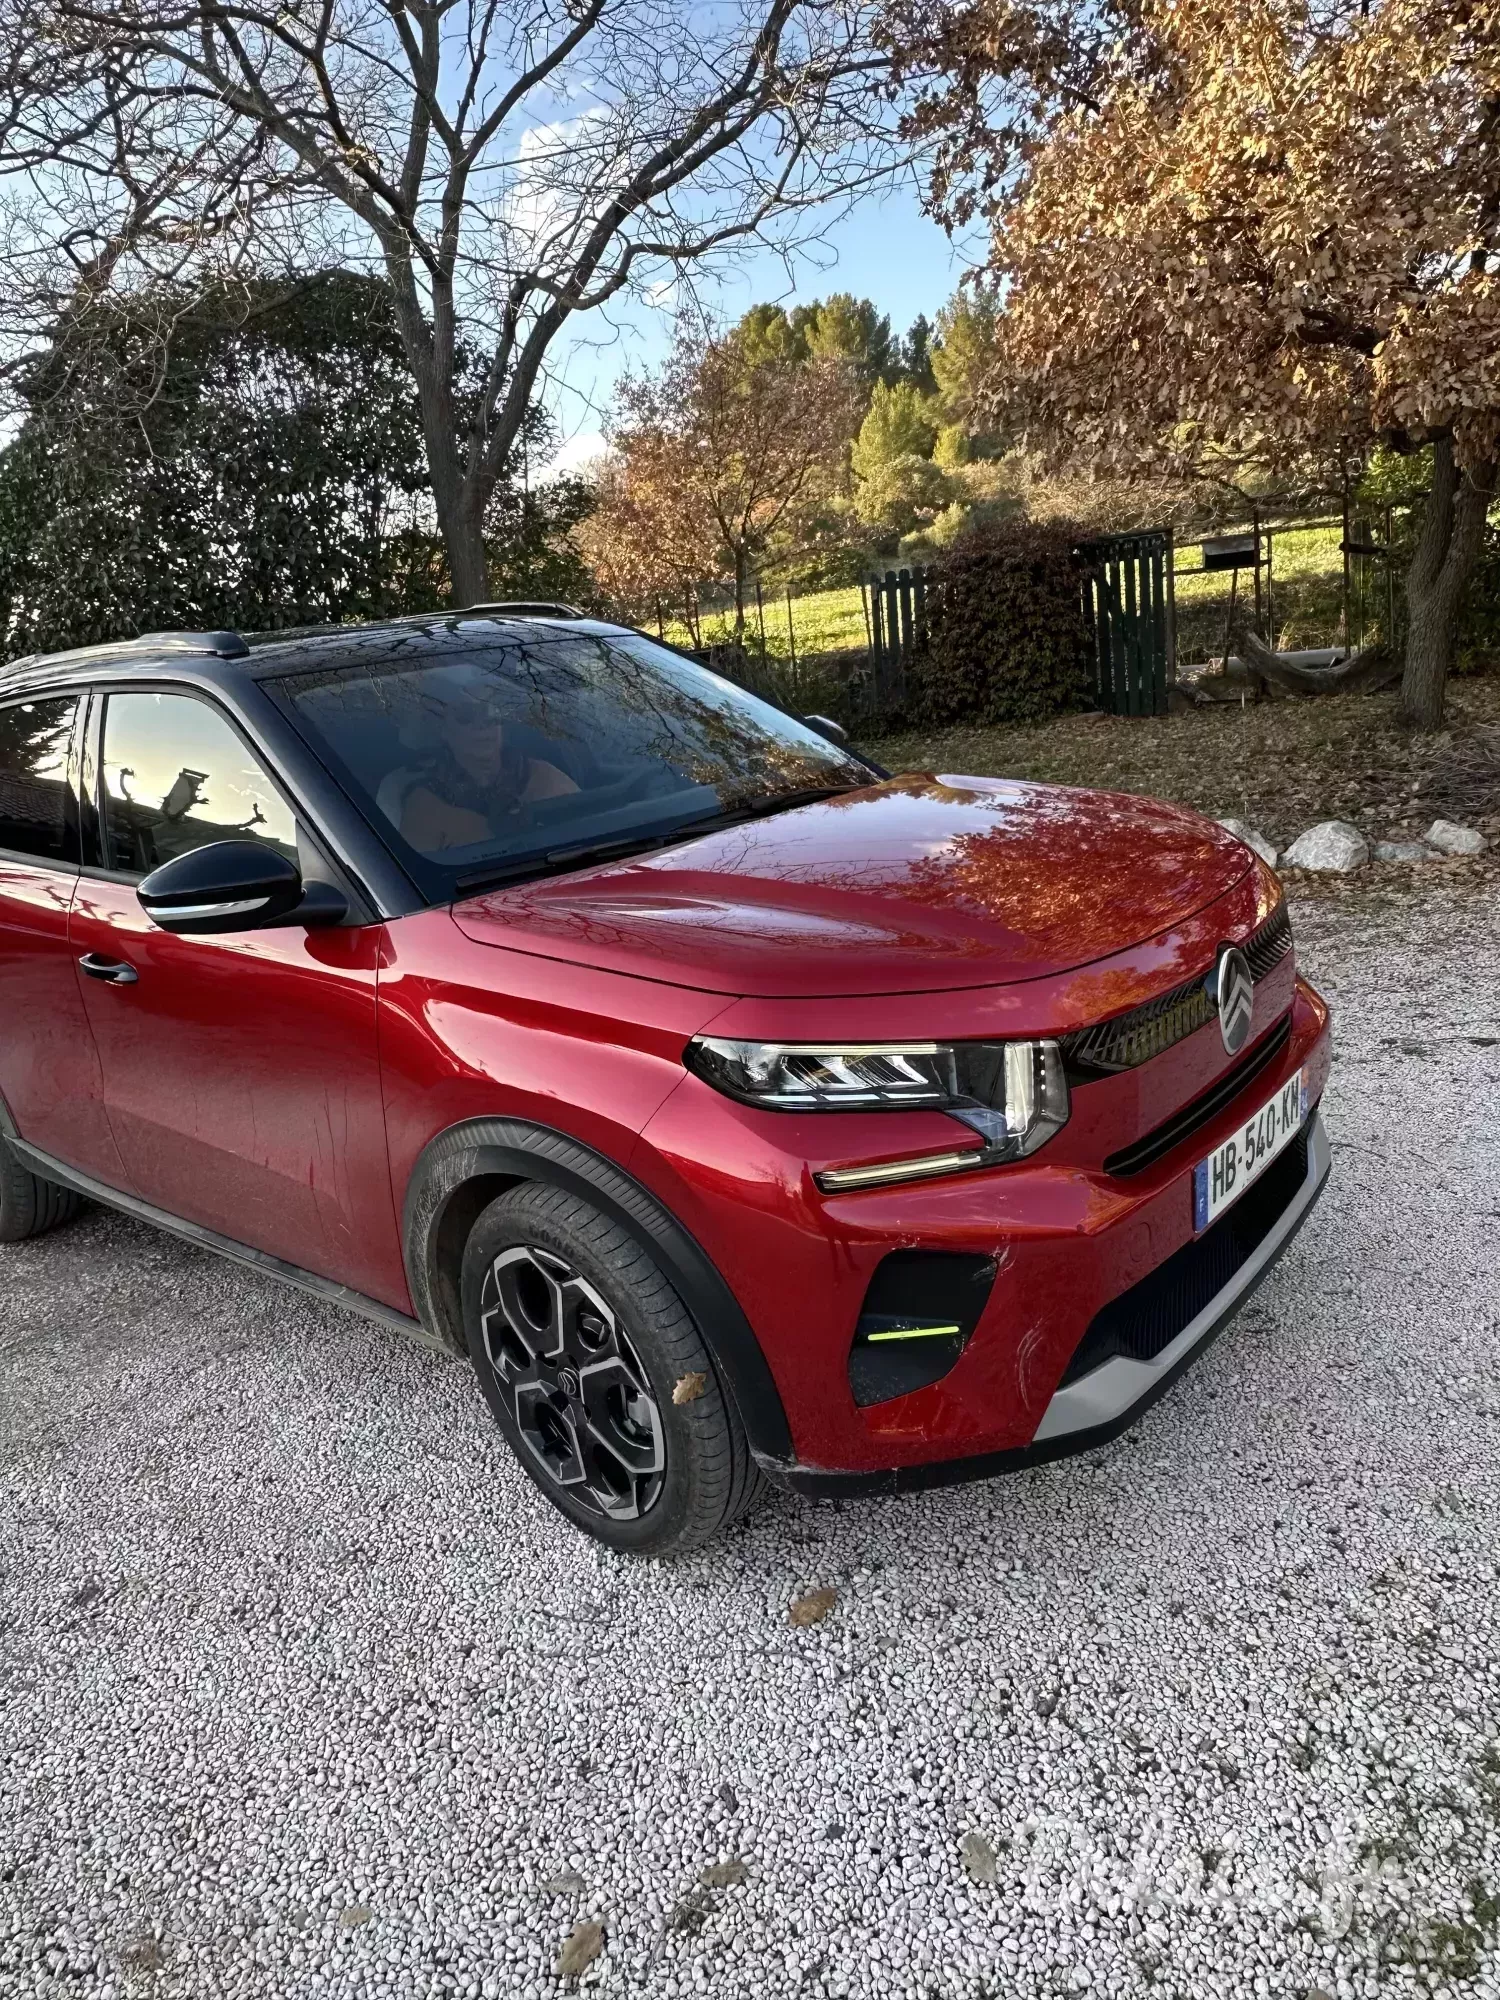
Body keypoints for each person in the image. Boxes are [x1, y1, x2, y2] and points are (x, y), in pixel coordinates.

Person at [400, 690, 577, 853]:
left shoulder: (543, 775)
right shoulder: (425, 804)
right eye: (466, 715)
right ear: (443, 730)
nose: (482, 724)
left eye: (492, 714)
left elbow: (586, 830)